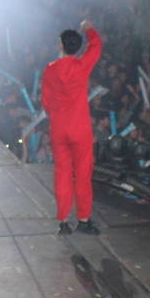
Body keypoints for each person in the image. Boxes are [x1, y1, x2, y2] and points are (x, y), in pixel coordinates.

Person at [41, 20, 102, 235]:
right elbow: (96, 46)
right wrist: (88, 29)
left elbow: (46, 101)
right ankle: (83, 219)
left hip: (59, 128)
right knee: (83, 174)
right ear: (77, 47)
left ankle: (63, 221)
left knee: (62, 174)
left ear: (61, 45)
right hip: (80, 128)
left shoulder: (50, 70)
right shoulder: (82, 66)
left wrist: (56, 116)